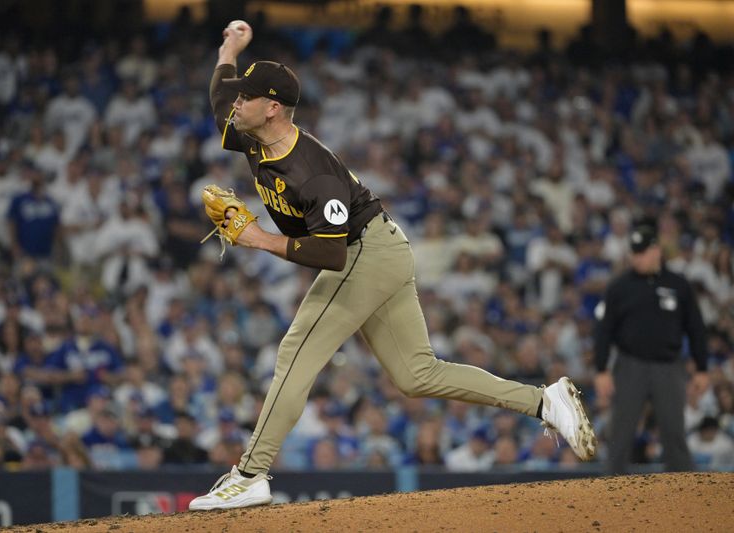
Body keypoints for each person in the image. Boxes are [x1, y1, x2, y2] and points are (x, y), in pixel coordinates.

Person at [188, 20, 597, 511]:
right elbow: (217, 100)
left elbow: (330, 254)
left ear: (273, 108)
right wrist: (228, 50)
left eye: (246, 97)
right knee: (416, 374)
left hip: (363, 252)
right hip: (381, 246)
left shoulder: (311, 171)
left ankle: (251, 474)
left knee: (296, 351)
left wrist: (257, 238)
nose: (236, 102)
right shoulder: (252, 134)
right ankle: (544, 402)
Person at [594, 224, 709, 474]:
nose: (637, 258)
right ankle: (609, 492)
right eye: (634, 253)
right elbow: (604, 330)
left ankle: (685, 492)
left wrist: (702, 368)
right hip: (629, 366)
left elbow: (696, 328)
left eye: (642, 252)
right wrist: (601, 369)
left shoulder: (679, 286)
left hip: (668, 367)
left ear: (656, 250)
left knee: (673, 433)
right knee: (620, 433)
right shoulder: (619, 287)